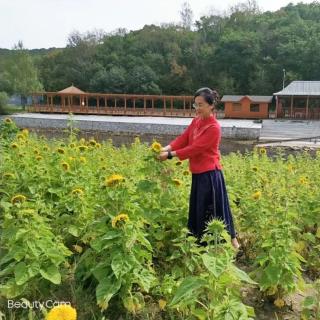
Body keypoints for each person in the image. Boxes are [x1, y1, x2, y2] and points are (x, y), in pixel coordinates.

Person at [158, 87, 240, 249]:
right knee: (199, 208)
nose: (197, 108)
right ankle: (200, 243)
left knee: (216, 210)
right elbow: (184, 138)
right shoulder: (197, 121)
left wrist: (169, 155)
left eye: (200, 105)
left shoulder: (214, 127)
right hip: (198, 172)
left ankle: (230, 243)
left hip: (210, 175)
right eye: (195, 105)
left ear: (211, 105)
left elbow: (195, 148)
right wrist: (165, 148)